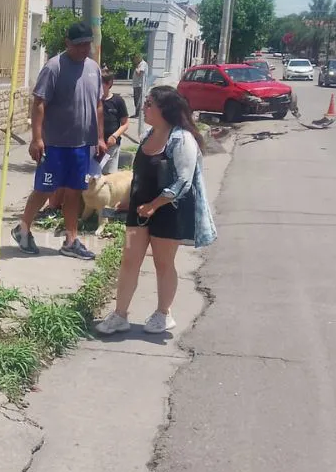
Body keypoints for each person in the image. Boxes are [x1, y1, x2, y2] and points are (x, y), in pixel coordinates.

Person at [95, 85, 217, 335]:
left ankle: (164, 314)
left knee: (163, 263)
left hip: (168, 211)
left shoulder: (181, 139)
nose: (144, 107)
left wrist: (153, 205)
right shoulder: (147, 135)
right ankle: (120, 315)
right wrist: (131, 202)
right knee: (129, 261)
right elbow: (141, 176)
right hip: (138, 212)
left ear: (165, 109)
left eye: (150, 103)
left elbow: (182, 182)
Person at [12, 21, 105, 259]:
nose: (84, 49)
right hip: (55, 144)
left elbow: (98, 105)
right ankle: (22, 229)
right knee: (45, 189)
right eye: (79, 45)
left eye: (87, 44)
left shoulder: (93, 68)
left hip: (82, 145)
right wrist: (36, 139)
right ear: (67, 43)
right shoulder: (54, 67)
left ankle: (71, 241)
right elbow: (39, 103)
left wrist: (100, 138)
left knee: (74, 192)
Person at [100, 68, 129, 174]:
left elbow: (125, 123)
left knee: (108, 175)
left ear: (109, 83)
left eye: (101, 83)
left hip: (111, 145)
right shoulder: (93, 100)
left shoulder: (118, 101)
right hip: (93, 144)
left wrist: (114, 136)